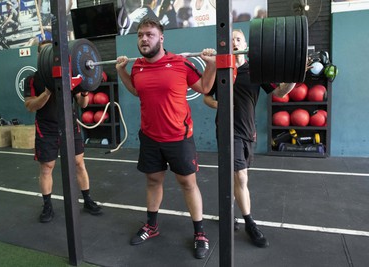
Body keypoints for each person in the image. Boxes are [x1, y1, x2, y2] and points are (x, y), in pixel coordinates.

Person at [115, 18, 216, 259]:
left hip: (178, 137)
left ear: (161, 38)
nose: (144, 39)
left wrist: (211, 65)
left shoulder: (180, 63)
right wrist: (121, 71)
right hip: (150, 137)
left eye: (149, 34)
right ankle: (151, 226)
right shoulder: (137, 66)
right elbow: (136, 89)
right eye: (140, 35)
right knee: (152, 181)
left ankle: (200, 233)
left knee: (187, 184)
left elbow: (204, 86)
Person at [203, 29, 297, 248]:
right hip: (227, 130)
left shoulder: (255, 71)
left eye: (238, 39)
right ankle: (249, 223)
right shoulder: (221, 70)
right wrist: (220, 104)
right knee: (241, 177)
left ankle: (228, 214)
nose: (234, 42)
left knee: (236, 178)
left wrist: (294, 76)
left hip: (248, 131)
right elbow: (206, 97)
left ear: (245, 44)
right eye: (231, 39)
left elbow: (280, 92)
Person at [24, 40, 102, 223]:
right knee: (47, 168)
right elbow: (30, 105)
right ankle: (47, 206)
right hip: (46, 127)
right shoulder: (33, 79)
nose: (49, 57)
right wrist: (49, 91)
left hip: (69, 124)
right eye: (45, 53)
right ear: (39, 56)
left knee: (79, 163)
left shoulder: (68, 75)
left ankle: (88, 200)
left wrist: (84, 91)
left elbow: (83, 104)